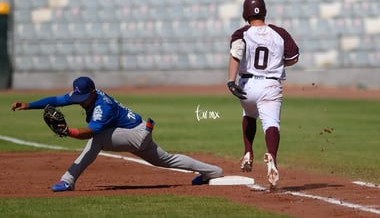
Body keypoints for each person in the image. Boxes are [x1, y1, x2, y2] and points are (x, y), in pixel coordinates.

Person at [11, 76, 223, 192]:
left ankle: (68, 180)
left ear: (92, 92)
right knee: (166, 160)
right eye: (78, 96)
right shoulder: (84, 95)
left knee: (99, 139)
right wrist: (29, 105)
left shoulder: (103, 107)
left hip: (136, 135)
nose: (80, 100)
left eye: (84, 96)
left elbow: (90, 132)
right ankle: (213, 171)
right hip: (139, 130)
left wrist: (69, 132)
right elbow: (58, 100)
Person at [226, 0, 299, 188]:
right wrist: (278, 63)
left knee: (249, 115)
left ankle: (248, 151)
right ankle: (272, 156)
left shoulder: (241, 33)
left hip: (247, 85)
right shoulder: (280, 33)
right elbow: (294, 57)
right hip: (270, 85)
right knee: (271, 123)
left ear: (245, 13)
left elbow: (235, 55)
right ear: (264, 11)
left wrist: (231, 82)